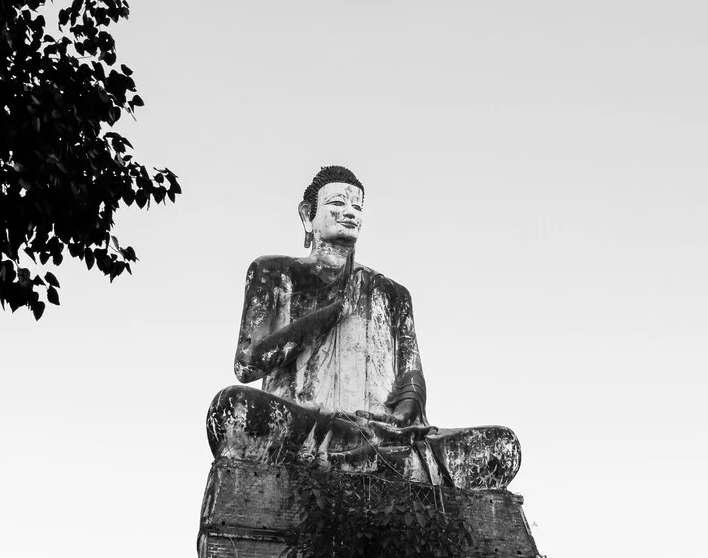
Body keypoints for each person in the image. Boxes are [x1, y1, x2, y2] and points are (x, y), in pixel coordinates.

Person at [207, 166, 520, 490]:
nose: (349, 213)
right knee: (233, 410)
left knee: (502, 445)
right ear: (307, 215)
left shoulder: (393, 293)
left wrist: (404, 414)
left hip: (386, 434)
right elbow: (247, 364)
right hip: (307, 423)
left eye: (357, 207)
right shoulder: (274, 272)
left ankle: (369, 457)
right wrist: (330, 313)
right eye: (337, 205)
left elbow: (411, 379)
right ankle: (381, 463)